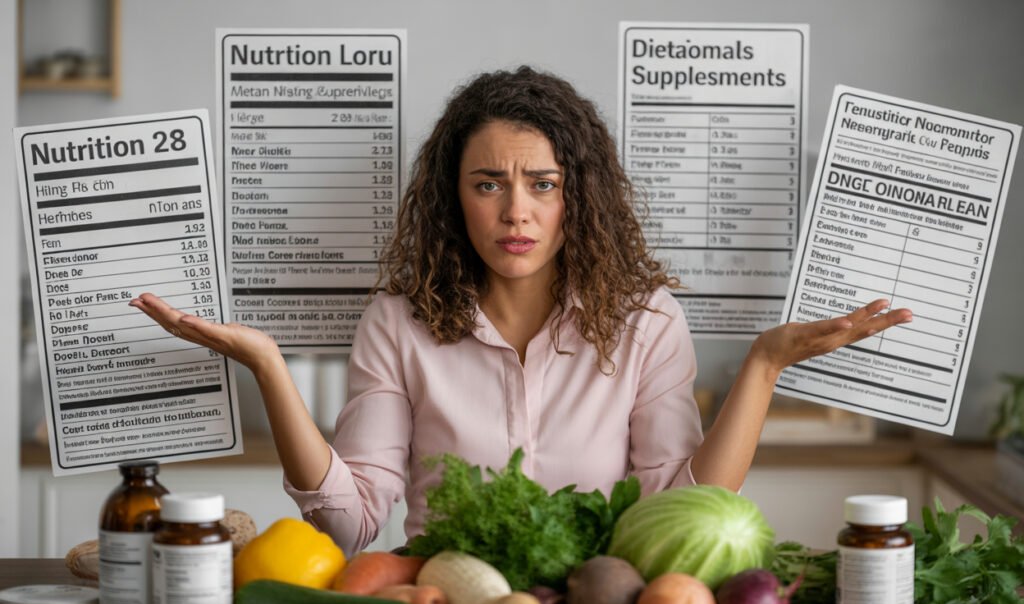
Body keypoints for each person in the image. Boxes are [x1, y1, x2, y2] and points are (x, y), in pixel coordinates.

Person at [131, 66, 912, 556]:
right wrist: (269, 365)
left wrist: (764, 365)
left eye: (542, 183)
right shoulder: (398, 323)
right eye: (487, 184)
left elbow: (678, 507)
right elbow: (348, 527)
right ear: (454, 198)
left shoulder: (646, 321)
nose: (516, 212)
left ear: (579, 196)